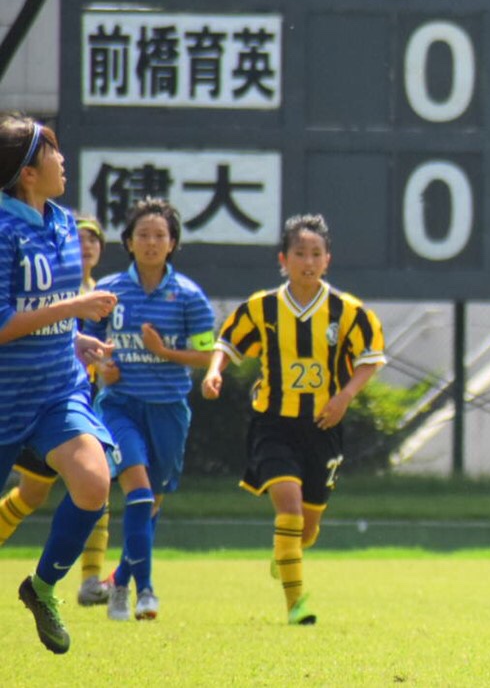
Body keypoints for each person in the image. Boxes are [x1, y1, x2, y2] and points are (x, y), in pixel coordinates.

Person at [202, 213, 386, 626]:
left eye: (315, 254)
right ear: (283, 259)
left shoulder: (348, 311)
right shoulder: (262, 307)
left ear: (327, 261)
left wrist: (344, 396)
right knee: (288, 507)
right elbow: (228, 342)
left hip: (323, 427)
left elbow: (370, 358)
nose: (308, 260)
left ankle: (287, 556)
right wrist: (215, 371)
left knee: (308, 529)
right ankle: (296, 603)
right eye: (299, 253)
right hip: (273, 424)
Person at [0, 114, 119, 653]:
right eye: (53, 152)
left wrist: (73, 337)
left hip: (56, 390)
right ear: (27, 171)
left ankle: (42, 587)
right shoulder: (2, 231)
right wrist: (73, 306)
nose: (63, 160)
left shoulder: (67, 224)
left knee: (94, 481)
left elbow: (42, 312)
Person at [81, 198, 215, 621]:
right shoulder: (112, 291)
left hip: (169, 411)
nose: (152, 242)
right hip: (120, 407)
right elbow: (85, 344)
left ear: (172, 243)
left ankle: (120, 581)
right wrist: (103, 364)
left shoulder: (189, 296)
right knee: (137, 492)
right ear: (129, 242)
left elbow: (209, 355)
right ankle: (146, 591)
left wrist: (164, 352)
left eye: (160, 235)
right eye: (144, 235)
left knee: (150, 504)